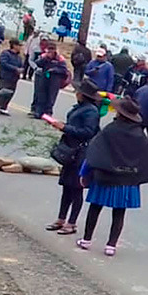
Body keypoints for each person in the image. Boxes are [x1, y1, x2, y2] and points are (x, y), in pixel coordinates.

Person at [76, 98, 148, 256]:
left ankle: (86, 240)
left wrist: (84, 173)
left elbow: (93, 152)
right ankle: (111, 245)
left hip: (105, 177)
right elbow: (146, 157)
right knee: (119, 212)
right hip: (127, 180)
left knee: (95, 208)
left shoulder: (110, 130)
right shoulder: (139, 135)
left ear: (120, 113)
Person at [44, 82, 102, 237]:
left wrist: (64, 128)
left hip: (81, 153)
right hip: (71, 150)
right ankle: (61, 218)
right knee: (66, 187)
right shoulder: (79, 108)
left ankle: (72, 222)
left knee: (76, 189)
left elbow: (88, 132)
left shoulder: (91, 112)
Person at [0, 39, 24, 115]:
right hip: (6, 76)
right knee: (2, 92)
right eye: (19, 45)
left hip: (14, 78)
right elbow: (4, 63)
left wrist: (21, 70)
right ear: (14, 45)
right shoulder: (6, 54)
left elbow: (21, 65)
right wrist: (15, 69)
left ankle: (4, 107)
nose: (20, 47)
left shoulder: (18, 57)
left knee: (10, 92)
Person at [32, 44, 69, 118]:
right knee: (41, 95)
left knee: (51, 97)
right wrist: (45, 58)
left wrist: (55, 70)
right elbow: (38, 63)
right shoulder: (44, 57)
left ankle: (48, 112)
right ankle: (38, 112)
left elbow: (64, 70)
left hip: (55, 80)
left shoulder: (60, 59)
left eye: (52, 50)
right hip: (44, 78)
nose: (50, 52)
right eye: (49, 50)